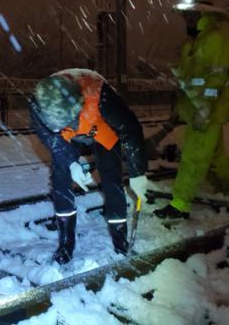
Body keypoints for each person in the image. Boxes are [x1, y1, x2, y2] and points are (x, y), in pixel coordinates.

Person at [30, 68, 148, 264]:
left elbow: (131, 130)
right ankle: (66, 244)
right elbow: (52, 139)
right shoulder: (38, 105)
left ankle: (120, 242)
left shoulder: (102, 97)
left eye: (71, 121)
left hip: (101, 129)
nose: (75, 127)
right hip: (64, 139)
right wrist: (72, 163)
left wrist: (138, 173)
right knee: (61, 178)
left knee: (111, 179)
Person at [154, 0, 229, 220]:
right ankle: (227, 192)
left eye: (192, 15)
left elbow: (218, 78)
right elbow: (190, 80)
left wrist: (205, 107)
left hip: (207, 111)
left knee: (193, 157)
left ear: (205, 16)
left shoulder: (216, 41)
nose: (187, 19)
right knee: (214, 157)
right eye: (186, 15)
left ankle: (180, 204)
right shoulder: (192, 44)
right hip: (197, 110)